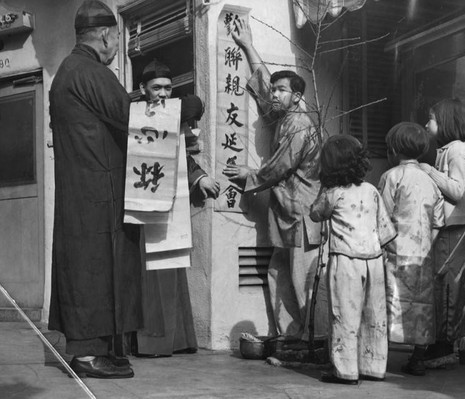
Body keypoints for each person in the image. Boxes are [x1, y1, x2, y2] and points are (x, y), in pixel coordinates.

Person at [48, 0, 141, 379]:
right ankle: (88, 354)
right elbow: (129, 116)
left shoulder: (67, 72)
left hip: (80, 192)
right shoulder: (91, 71)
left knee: (87, 267)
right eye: (117, 37)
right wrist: (185, 109)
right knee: (97, 269)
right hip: (98, 192)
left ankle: (95, 349)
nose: (117, 46)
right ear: (105, 35)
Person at [224, 18, 324, 342]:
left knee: (297, 277)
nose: (276, 95)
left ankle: (302, 339)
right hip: (282, 211)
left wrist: (249, 174)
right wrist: (248, 46)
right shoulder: (283, 116)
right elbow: (265, 89)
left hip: (300, 213)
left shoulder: (299, 124)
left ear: (296, 97)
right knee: (277, 272)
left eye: (283, 91)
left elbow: (279, 167)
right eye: (277, 90)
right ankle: (287, 337)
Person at [131, 60, 220, 357]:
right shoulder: (133, 117)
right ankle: (150, 342)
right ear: (142, 89)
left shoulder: (173, 115)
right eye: (156, 88)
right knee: (147, 273)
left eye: (168, 88)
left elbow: (184, 151)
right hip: (140, 206)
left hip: (171, 203)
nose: (163, 94)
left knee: (171, 266)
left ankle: (177, 339)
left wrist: (200, 177)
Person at [310, 135, 396, 385]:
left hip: (346, 262)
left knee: (344, 316)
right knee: (374, 315)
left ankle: (346, 371)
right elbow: (385, 231)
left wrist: (322, 187)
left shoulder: (332, 194)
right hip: (374, 260)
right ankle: (374, 366)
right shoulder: (371, 190)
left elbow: (315, 213)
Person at [378, 122, 445, 376]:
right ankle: (417, 358)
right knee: (423, 306)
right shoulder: (431, 181)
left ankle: (380, 359)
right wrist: (428, 244)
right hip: (423, 254)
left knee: (389, 302)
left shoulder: (391, 177)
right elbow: (438, 222)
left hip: (395, 251)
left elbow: (382, 217)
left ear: (394, 150)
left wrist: (384, 248)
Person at [419, 98, 465, 368]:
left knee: (451, 287)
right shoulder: (446, 149)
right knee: (442, 285)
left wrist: (429, 171)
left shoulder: (457, 150)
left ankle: (447, 344)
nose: (426, 124)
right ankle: (441, 342)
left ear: (445, 122)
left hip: (457, 227)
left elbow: (456, 190)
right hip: (448, 227)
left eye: (430, 119)